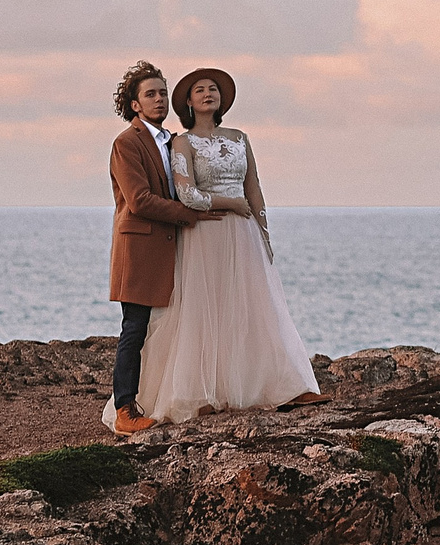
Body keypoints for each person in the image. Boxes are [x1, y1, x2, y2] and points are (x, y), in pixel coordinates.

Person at [121, 65, 324, 424]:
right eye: (199, 90)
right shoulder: (180, 142)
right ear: (188, 101)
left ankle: (280, 385)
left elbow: (254, 186)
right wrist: (229, 204)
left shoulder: (240, 138)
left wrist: (262, 230)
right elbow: (186, 193)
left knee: (252, 307)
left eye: (213, 89)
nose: (207, 94)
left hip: (243, 233)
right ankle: (199, 392)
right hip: (204, 231)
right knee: (203, 310)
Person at [104, 61, 228, 436]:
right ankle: (125, 409)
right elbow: (139, 200)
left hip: (174, 250)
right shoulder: (126, 143)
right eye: (150, 95)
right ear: (135, 105)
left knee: (178, 326)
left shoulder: (172, 140)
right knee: (135, 329)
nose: (159, 100)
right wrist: (191, 214)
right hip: (140, 251)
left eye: (162, 93)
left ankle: (181, 395)